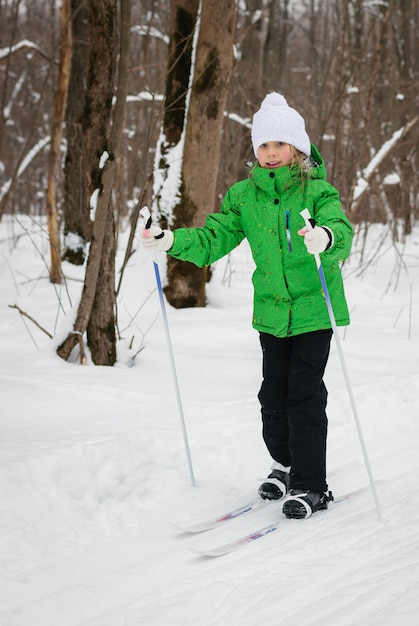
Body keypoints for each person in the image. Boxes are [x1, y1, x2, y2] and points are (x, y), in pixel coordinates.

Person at [141, 92, 353, 519]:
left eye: (279, 145)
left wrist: (326, 238)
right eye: (263, 145)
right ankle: (286, 465)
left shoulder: (318, 191)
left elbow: (341, 228)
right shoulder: (244, 196)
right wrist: (170, 241)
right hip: (271, 314)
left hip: (314, 310)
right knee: (272, 395)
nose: (271, 153)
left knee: (304, 395)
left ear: (297, 148)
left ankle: (312, 485)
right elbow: (213, 237)